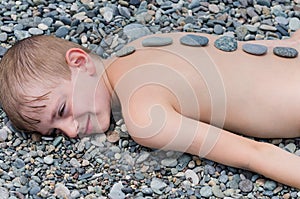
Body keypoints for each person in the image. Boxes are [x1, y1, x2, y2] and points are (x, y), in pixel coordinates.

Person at [1, 30, 300, 189]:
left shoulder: (143, 116)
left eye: (62, 110)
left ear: (80, 62)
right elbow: (249, 48)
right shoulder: (143, 45)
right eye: (54, 131)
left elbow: (254, 154)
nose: (70, 130)